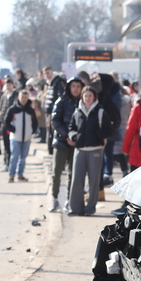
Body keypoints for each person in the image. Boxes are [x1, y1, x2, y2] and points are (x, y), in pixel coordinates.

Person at [67, 86, 114, 216]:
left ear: (94, 97)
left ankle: (90, 208)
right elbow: (71, 128)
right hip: (80, 149)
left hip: (95, 150)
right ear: (82, 97)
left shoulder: (100, 112)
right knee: (77, 179)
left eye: (90, 96)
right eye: (85, 96)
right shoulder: (77, 112)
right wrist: (74, 136)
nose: (88, 98)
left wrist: (97, 136)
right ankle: (75, 208)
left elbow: (108, 129)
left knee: (94, 180)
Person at [49, 77, 83, 212]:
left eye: (78, 86)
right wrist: (66, 135)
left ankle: (69, 200)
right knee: (57, 171)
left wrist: (75, 137)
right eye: (73, 86)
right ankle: (54, 198)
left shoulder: (82, 103)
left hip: (76, 143)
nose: (75, 89)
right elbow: (55, 120)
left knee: (72, 173)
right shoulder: (61, 101)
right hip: (61, 142)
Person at [4, 88, 38, 182]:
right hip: (15, 137)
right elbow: (6, 122)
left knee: (23, 157)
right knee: (14, 156)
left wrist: (31, 131)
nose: (24, 99)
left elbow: (35, 123)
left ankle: (20, 175)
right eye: (22, 97)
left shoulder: (31, 110)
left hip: (27, 137)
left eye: (26, 97)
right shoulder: (13, 109)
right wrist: (13, 129)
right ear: (18, 97)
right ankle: (11, 175)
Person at [42, 66, 67, 154]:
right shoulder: (49, 83)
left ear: (52, 72)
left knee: (53, 132)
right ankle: (50, 150)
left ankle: (53, 151)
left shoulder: (57, 82)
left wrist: (55, 108)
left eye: (48, 73)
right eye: (45, 73)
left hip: (54, 111)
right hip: (48, 111)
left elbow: (60, 97)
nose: (46, 75)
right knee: (49, 131)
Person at [0, 79, 17, 170]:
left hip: (13, 124)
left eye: (10, 84)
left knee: (13, 145)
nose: (8, 86)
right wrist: (1, 118)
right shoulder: (4, 96)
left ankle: (12, 164)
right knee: (5, 145)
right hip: (4, 124)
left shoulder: (16, 95)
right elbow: (0, 109)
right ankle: (6, 163)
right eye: (7, 84)